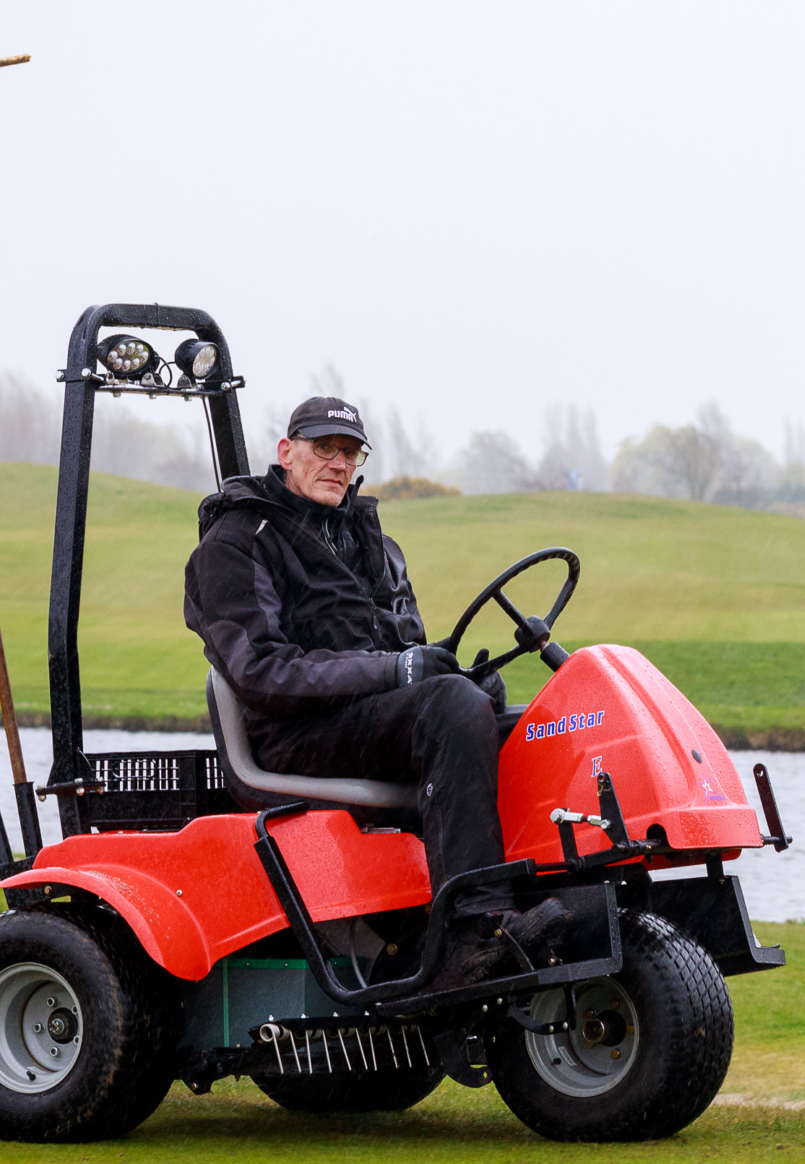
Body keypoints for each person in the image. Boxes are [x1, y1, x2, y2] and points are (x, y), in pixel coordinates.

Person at [183, 395, 558, 985]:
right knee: (451, 708)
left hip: (365, 722)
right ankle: (473, 933)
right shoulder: (237, 542)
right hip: (292, 734)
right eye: (322, 448)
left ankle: (562, 888)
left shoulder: (372, 542)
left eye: (349, 452)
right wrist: (396, 674)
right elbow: (262, 673)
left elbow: (403, 648)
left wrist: (450, 672)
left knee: (505, 711)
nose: (337, 463)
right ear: (286, 452)